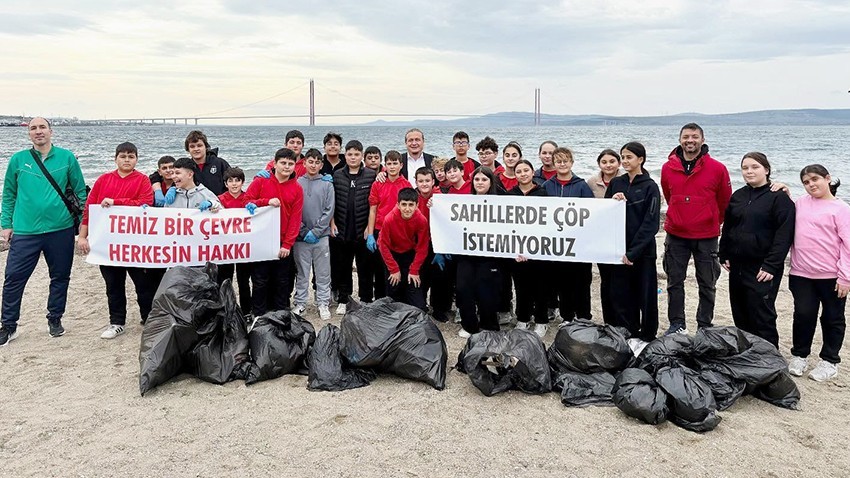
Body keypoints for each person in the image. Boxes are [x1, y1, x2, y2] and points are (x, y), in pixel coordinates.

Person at [0, 117, 87, 345]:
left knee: (60, 277)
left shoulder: (67, 157)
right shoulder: (18, 160)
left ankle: (55, 319)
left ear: (51, 131)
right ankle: (9, 326)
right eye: (33, 128)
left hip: (61, 229)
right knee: (13, 278)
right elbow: (9, 193)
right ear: (29, 134)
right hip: (26, 230)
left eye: (42, 127)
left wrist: (83, 228)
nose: (38, 132)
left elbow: (80, 193)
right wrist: (6, 224)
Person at [76, 142, 155, 339]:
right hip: (108, 245)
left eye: (131, 156)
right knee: (113, 285)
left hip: (136, 244)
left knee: (143, 284)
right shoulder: (103, 180)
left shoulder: (143, 180)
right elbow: (89, 209)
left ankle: (149, 319)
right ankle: (117, 322)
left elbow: (146, 203)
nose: (127, 160)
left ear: (136, 159)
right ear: (115, 158)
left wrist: (116, 202)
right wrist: (83, 236)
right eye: (123, 156)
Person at [660, 123, 732, 335]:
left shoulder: (718, 168)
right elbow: (669, 194)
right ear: (680, 139)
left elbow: (724, 203)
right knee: (674, 282)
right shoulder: (667, 167)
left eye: (694, 136)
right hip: (676, 234)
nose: (690, 140)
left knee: (707, 283)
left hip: (707, 236)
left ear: (702, 139)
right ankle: (677, 324)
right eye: (686, 137)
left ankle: (704, 324)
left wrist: (710, 220)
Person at [718, 152, 795, 348]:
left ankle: (769, 358)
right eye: (745, 168)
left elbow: (784, 235)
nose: (749, 171)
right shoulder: (739, 195)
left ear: (766, 170)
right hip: (737, 265)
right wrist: (724, 252)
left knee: (762, 314)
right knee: (740, 311)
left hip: (763, 267)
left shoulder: (778, 198)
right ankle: (747, 354)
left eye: (755, 167)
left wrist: (771, 265)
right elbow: (728, 226)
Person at [785, 165, 849, 382]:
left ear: (827, 179)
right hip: (801, 273)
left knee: (832, 318)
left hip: (832, 276)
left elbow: (848, 246)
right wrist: (783, 189)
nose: (811, 184)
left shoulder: (841, 208)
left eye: (815, 179)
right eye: (806, 182)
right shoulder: (800, 204)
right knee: (803, 315)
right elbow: (784, 210)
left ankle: (829, 361)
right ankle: (800, 356)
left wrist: (845, 277)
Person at [605, 142, 661, 344]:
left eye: (629, 157)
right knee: (621, 294)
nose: (625, 161)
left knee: (645, 294)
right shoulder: (616, 183)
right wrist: (613, 199)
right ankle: (627, 331)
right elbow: (604, 212)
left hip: (642, 252)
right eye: (623, 157)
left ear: (641, 159)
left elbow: (651, 222)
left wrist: (633, 252)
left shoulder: (650, 186)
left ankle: (647, 335)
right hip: (619, 249)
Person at [244, 148, 302, 316]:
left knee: (282, 281)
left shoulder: (297, 188)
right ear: (274, 163)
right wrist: (266, 202)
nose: (287, 167)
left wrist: (287, 244)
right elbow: (246, 202)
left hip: (282, 243)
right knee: (260, 281)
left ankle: (281, 315)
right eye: (283, 163)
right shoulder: (260, 182)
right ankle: (259, 316)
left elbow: (295, 219)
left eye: (291, 164)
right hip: (261, 240)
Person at [542, 147, 594, 323]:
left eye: (565, 161)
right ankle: (567, 316)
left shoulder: (582, 185)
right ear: (554, 164)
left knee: (582, 281)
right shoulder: (547, 186)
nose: (562, 164)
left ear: (572, 162)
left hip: (579, 244)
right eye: (558, 161)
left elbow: (592, 213)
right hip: (557, 245)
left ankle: (584, 316)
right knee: (562, 282)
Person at [330, 140, 377, 315]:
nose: (353, 157)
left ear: (362, 156)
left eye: (357, 154)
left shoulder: (371, 175)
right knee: (344, 267)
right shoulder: (337, 175)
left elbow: (375, 204)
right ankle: (344, 299)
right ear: (345, 155)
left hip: (363, 230)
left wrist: (369, 228)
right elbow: (331, 201)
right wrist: (332, 222)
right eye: (350, 154)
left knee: (365, 267)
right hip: (342, 229)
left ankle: (365, 299)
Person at [456, 167, 503, 338]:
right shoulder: (465, 202)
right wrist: (435, 206)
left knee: (487, 292)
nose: (480, 183)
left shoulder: (501, 202)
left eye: (484, 179)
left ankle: (489, 326)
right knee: (463, 289)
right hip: (467, 254)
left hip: (490, 256)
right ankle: (469, 325)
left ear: (491, 182)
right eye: (477, 180)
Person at [508, 159, 550, 337]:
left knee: (541, 285)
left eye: (526, 170)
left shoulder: (543, 193)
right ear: (515, 175)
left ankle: (541, 320)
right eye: (519, 171)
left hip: (539, 248)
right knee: (521, 285)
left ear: (533, 172)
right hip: (517, 249)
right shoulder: (510, 194)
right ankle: (523, 318)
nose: (523, 174)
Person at [292, 149, 335, 321]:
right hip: (301, 237)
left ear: (321, 165)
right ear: (304, 163)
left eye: (317, 162)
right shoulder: (296, 183)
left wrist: (317, 231)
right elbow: (293, 211)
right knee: (302, 272)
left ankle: (323, 302)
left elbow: (329, 210)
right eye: (311, 161)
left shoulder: (327, 184)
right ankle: (300, 303)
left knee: (323, 272)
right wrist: (303, 230)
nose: (314, 165)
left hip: (321, 236)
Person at [366, 150, 412, 301]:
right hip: (380, 230)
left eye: (395, 163)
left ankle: (397, 300)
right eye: (389, 164)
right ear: (385, 166)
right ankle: (380, 301)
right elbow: (373, 210)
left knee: (396, 267)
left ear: (401, 165)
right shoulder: (377, 183)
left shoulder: (406, 185)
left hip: (399, 232)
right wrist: (371, 234)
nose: (392, 167)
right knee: (380, 268)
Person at [379, 188, 430, 310]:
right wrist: (393, 269)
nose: (407, 209)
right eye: (404, 205)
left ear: (417, 205)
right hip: (392, 255)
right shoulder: (389, 219)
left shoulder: (421, 220)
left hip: (409, 254)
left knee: (419, 305)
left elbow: (422, 247)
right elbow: (382, 244)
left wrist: (414, 270)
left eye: (411, 205)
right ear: (398, 204)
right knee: (393, 293)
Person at [217, 167, 257, 317]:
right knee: (224, 280)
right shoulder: (219, 199)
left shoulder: (248, 199)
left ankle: (247, 311)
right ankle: (225, 310)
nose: (234, 184)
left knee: (244, 280)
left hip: (243, 247)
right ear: (226, 183)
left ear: (242, 182)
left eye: (237, 180)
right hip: (225, 248)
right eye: (230, 181)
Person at [183, 130, 231, 196]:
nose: (196, 149)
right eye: (192, 146)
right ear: (188, 149)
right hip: (196, 205)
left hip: (219, 204)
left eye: (199, 145)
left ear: (206, 147)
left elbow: (234, 184)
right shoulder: (187, 167)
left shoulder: (220, 163)